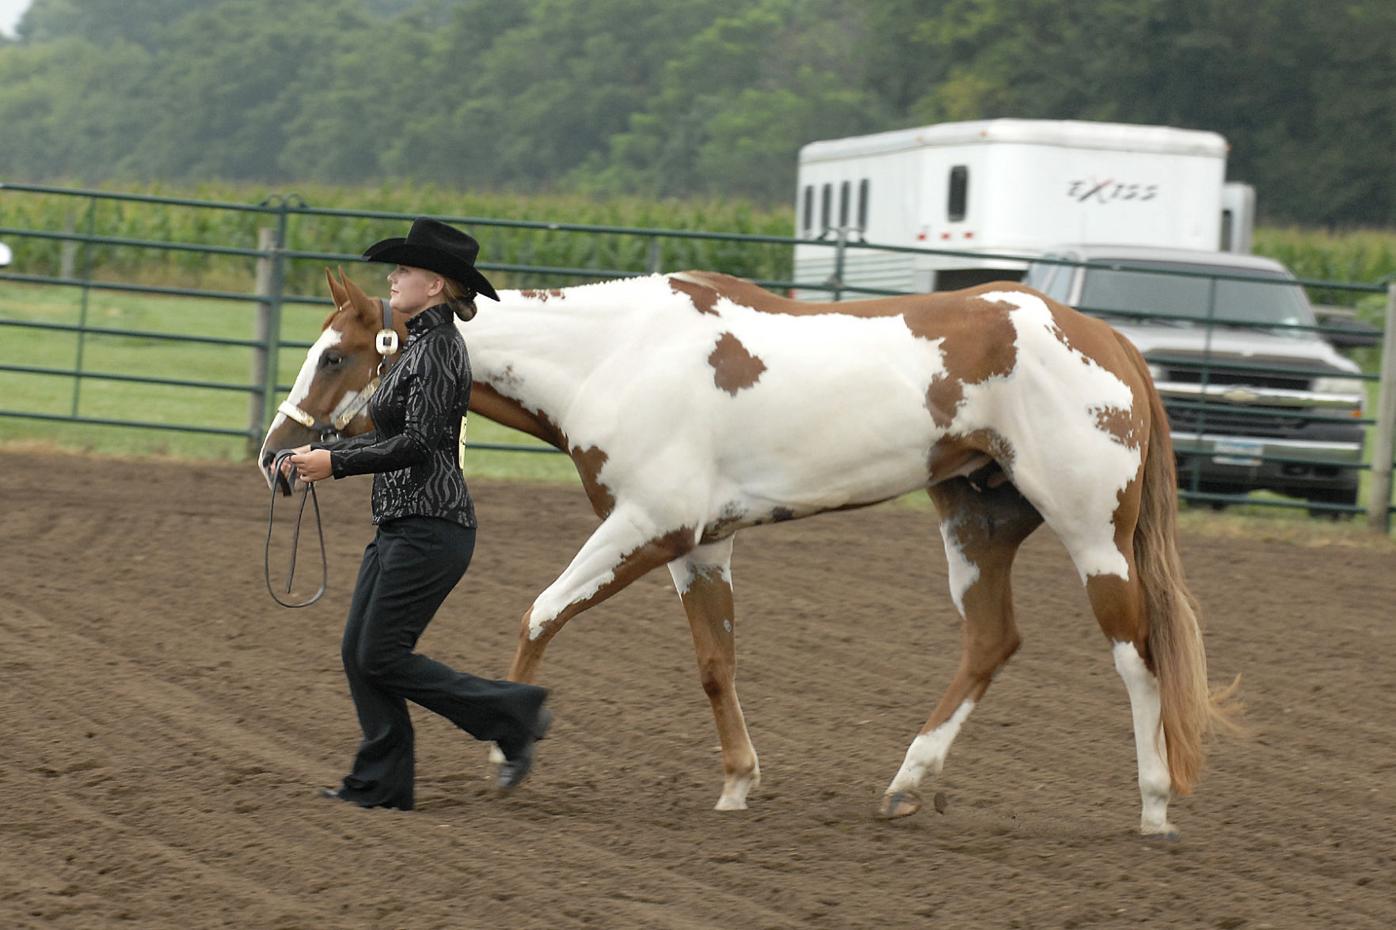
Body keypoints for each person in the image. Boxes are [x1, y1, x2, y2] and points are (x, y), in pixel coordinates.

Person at [286, 217, 549, 811]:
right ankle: (382, 784)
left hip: (434, 529)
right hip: (402, 526)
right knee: (360, 653)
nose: (393, 278)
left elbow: (421, 444)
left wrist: (336, 464)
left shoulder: (439, 353)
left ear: (435, 285)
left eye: (404, 269)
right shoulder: (417, 348)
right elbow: (388, 435)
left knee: (379, 654)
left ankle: (512, 713)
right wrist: (317, 455)